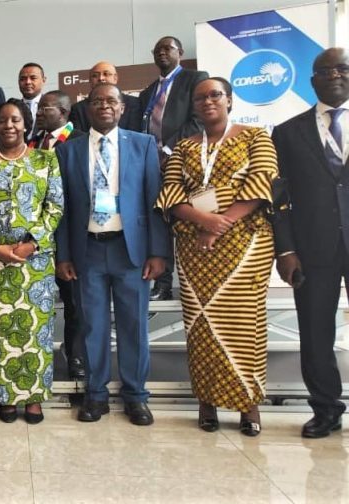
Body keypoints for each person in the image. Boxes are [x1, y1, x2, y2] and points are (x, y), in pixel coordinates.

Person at [156, 77, 276, 436]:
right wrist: (203, 220)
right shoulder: (184, 147)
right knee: (201, 326)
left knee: (245, 324)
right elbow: (171, 192)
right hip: (196, 249)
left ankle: (248, 406)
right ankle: (206, 403)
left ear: (229, 100)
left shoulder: (256, 137)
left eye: (215, 95)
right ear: (193, 106)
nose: (208, 102)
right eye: (200, 98)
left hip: (245, 245)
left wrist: (219, 224)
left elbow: (262, 182)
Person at [54, 83, 169, 426]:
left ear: (122, 108)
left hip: (130, 250)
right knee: (92, 326)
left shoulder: (143, 144)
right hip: (86, 250)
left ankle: (136, 396)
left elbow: (154, 200)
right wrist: (63, 255)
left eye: (111, 101)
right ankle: (96, 394)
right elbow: (63, 208)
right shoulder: (68, 151)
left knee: (134, 325)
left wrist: (158, 252)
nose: (104, 106)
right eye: (96, 101)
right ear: (87, 109)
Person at [0, 99, 64, 424]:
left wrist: (30, 244)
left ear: (26, 124)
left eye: (16, 120)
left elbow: (55, 206)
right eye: (3, 120)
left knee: (35, 332)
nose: (9, 125)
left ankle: (34, 399)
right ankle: (4, 397)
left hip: (34, 264)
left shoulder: (45, 160)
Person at [273, 47, 349, 439]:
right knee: (315, 332)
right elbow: (279, 198)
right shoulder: (287, 132)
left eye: (342, 68)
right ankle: (326, 408)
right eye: (325, 70)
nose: (334, 75)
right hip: (312, 247)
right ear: (312, 80)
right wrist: (285, 250)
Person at [138, 36, 209, 302]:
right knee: (159, 222)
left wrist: (168, 151)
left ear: (180, 52)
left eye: (167, 48)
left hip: (183, 163)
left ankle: (197, 282)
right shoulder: (147, 92)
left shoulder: (195, 79)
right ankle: (163, 284)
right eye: (157, 50)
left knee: (190, 220)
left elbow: (198, 120)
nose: (162, 53)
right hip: (151, 167)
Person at [31, 90, 85, 379]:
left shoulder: (80, 141)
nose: (39, 112)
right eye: (39, 108)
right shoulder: (33, 143)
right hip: (37, 235)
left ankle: (75, 355)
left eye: (45, 108)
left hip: (69, 233)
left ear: (63, 112)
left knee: (74, 300)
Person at [69, 62, 141, 133]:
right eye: (95, 75)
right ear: (90, 81)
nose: (101, 78)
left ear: (115, 78)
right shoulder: (78, 109)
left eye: (106, 74)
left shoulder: (134, 103)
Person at [18, 62, 48, 142]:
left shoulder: (52, 108)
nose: (28, 82)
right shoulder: (14, 108)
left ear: (43, 80)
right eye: (23, 79)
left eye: (33, 78)